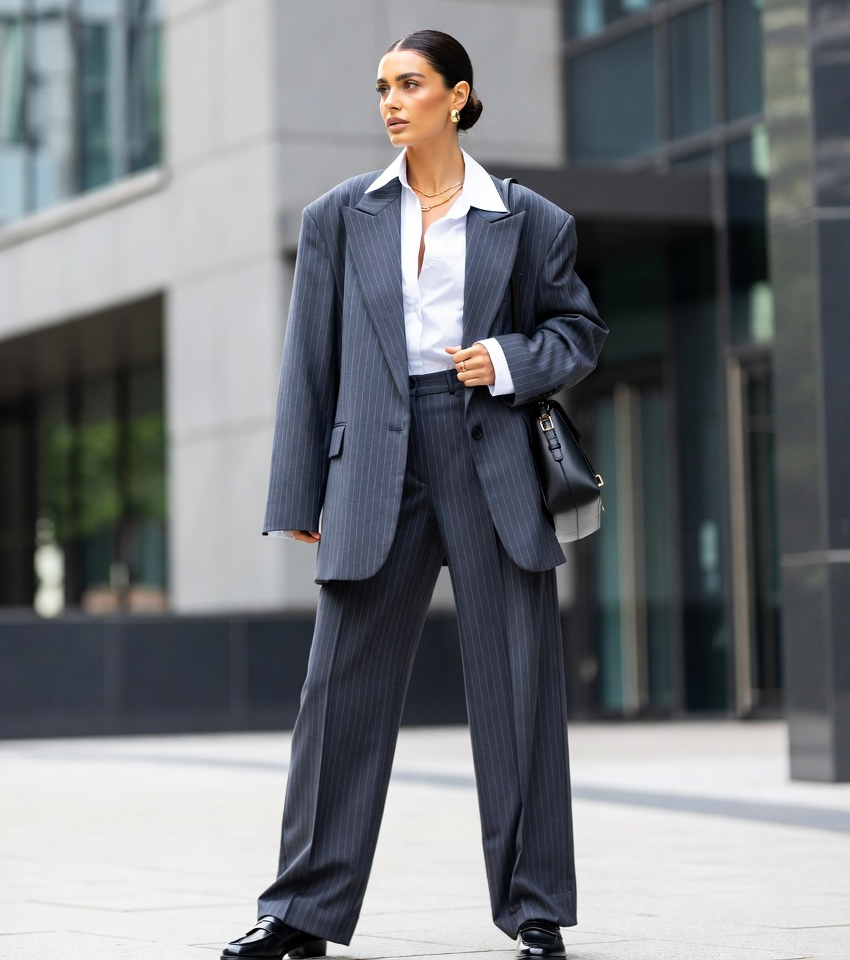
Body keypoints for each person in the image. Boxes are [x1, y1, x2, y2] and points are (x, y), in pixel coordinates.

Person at [221, 29, 606, 960]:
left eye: (410, 84)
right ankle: (301, 911)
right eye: (382, 88)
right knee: (339, 689)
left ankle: (536, 908)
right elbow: (309, 363)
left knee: (517, 685)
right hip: (373, 467)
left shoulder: (529, 219)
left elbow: (578, 331)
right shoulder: (338, 216)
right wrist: (299, 494)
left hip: (489, 454)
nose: (391, 102)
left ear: (457, 96)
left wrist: (508, 359)